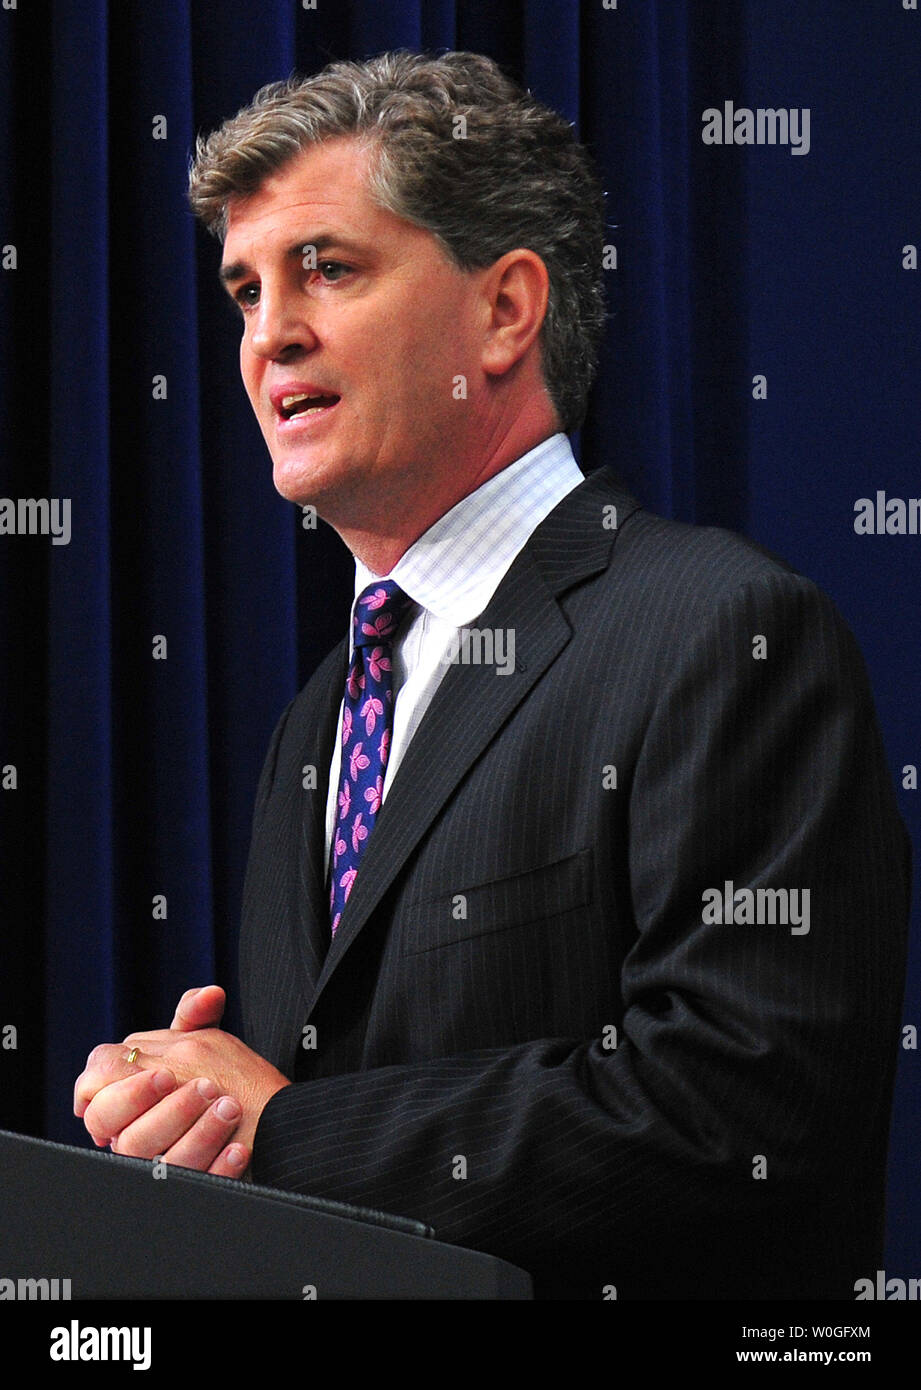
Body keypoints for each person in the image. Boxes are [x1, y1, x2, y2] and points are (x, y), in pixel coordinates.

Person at [74, 50, 910, 1299]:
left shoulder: (723, 632)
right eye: (244, 293)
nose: (268, 336)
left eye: (328, 269)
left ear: (507, 312)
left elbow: (739, 1115)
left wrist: (284, 1129)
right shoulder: (319, 723)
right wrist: (189, 1111)